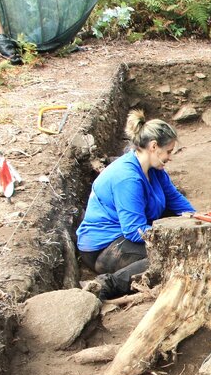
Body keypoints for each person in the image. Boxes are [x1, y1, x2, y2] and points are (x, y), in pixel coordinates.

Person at [76, 110, 195, 299]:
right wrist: (174, 238)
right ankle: (106, 285)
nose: (170, 157)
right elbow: (133, 229)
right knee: (173, 256)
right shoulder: (128, 178)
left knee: (183, 239)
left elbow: (176, 201)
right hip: (104, 248)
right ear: (154, 146)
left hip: (125, 235)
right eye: (169, 151)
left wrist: (198, 221)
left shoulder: (155, 170)